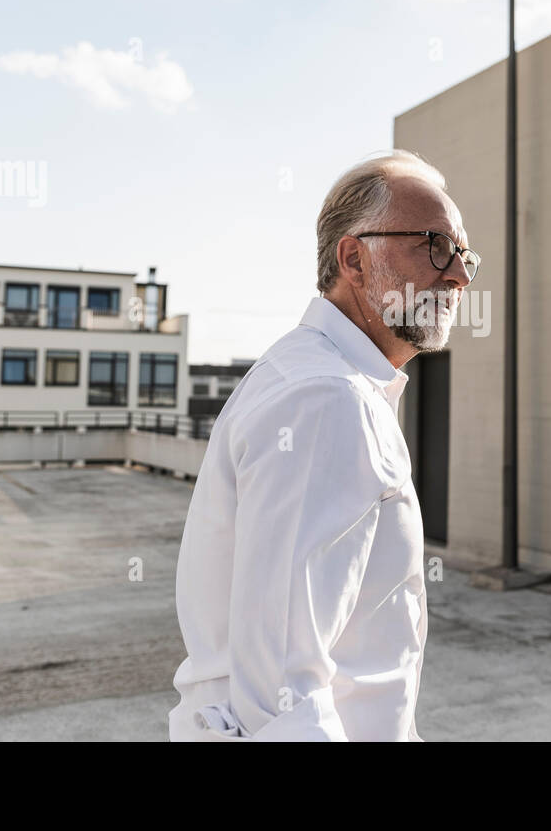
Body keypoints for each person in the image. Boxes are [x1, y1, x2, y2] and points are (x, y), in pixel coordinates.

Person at [169, 149, 478, 741]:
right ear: (354, 259)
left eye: (464, 254)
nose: (458, 275)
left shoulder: (325, 380)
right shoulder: (326, 399)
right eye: (435, 246)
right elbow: (283, 694)